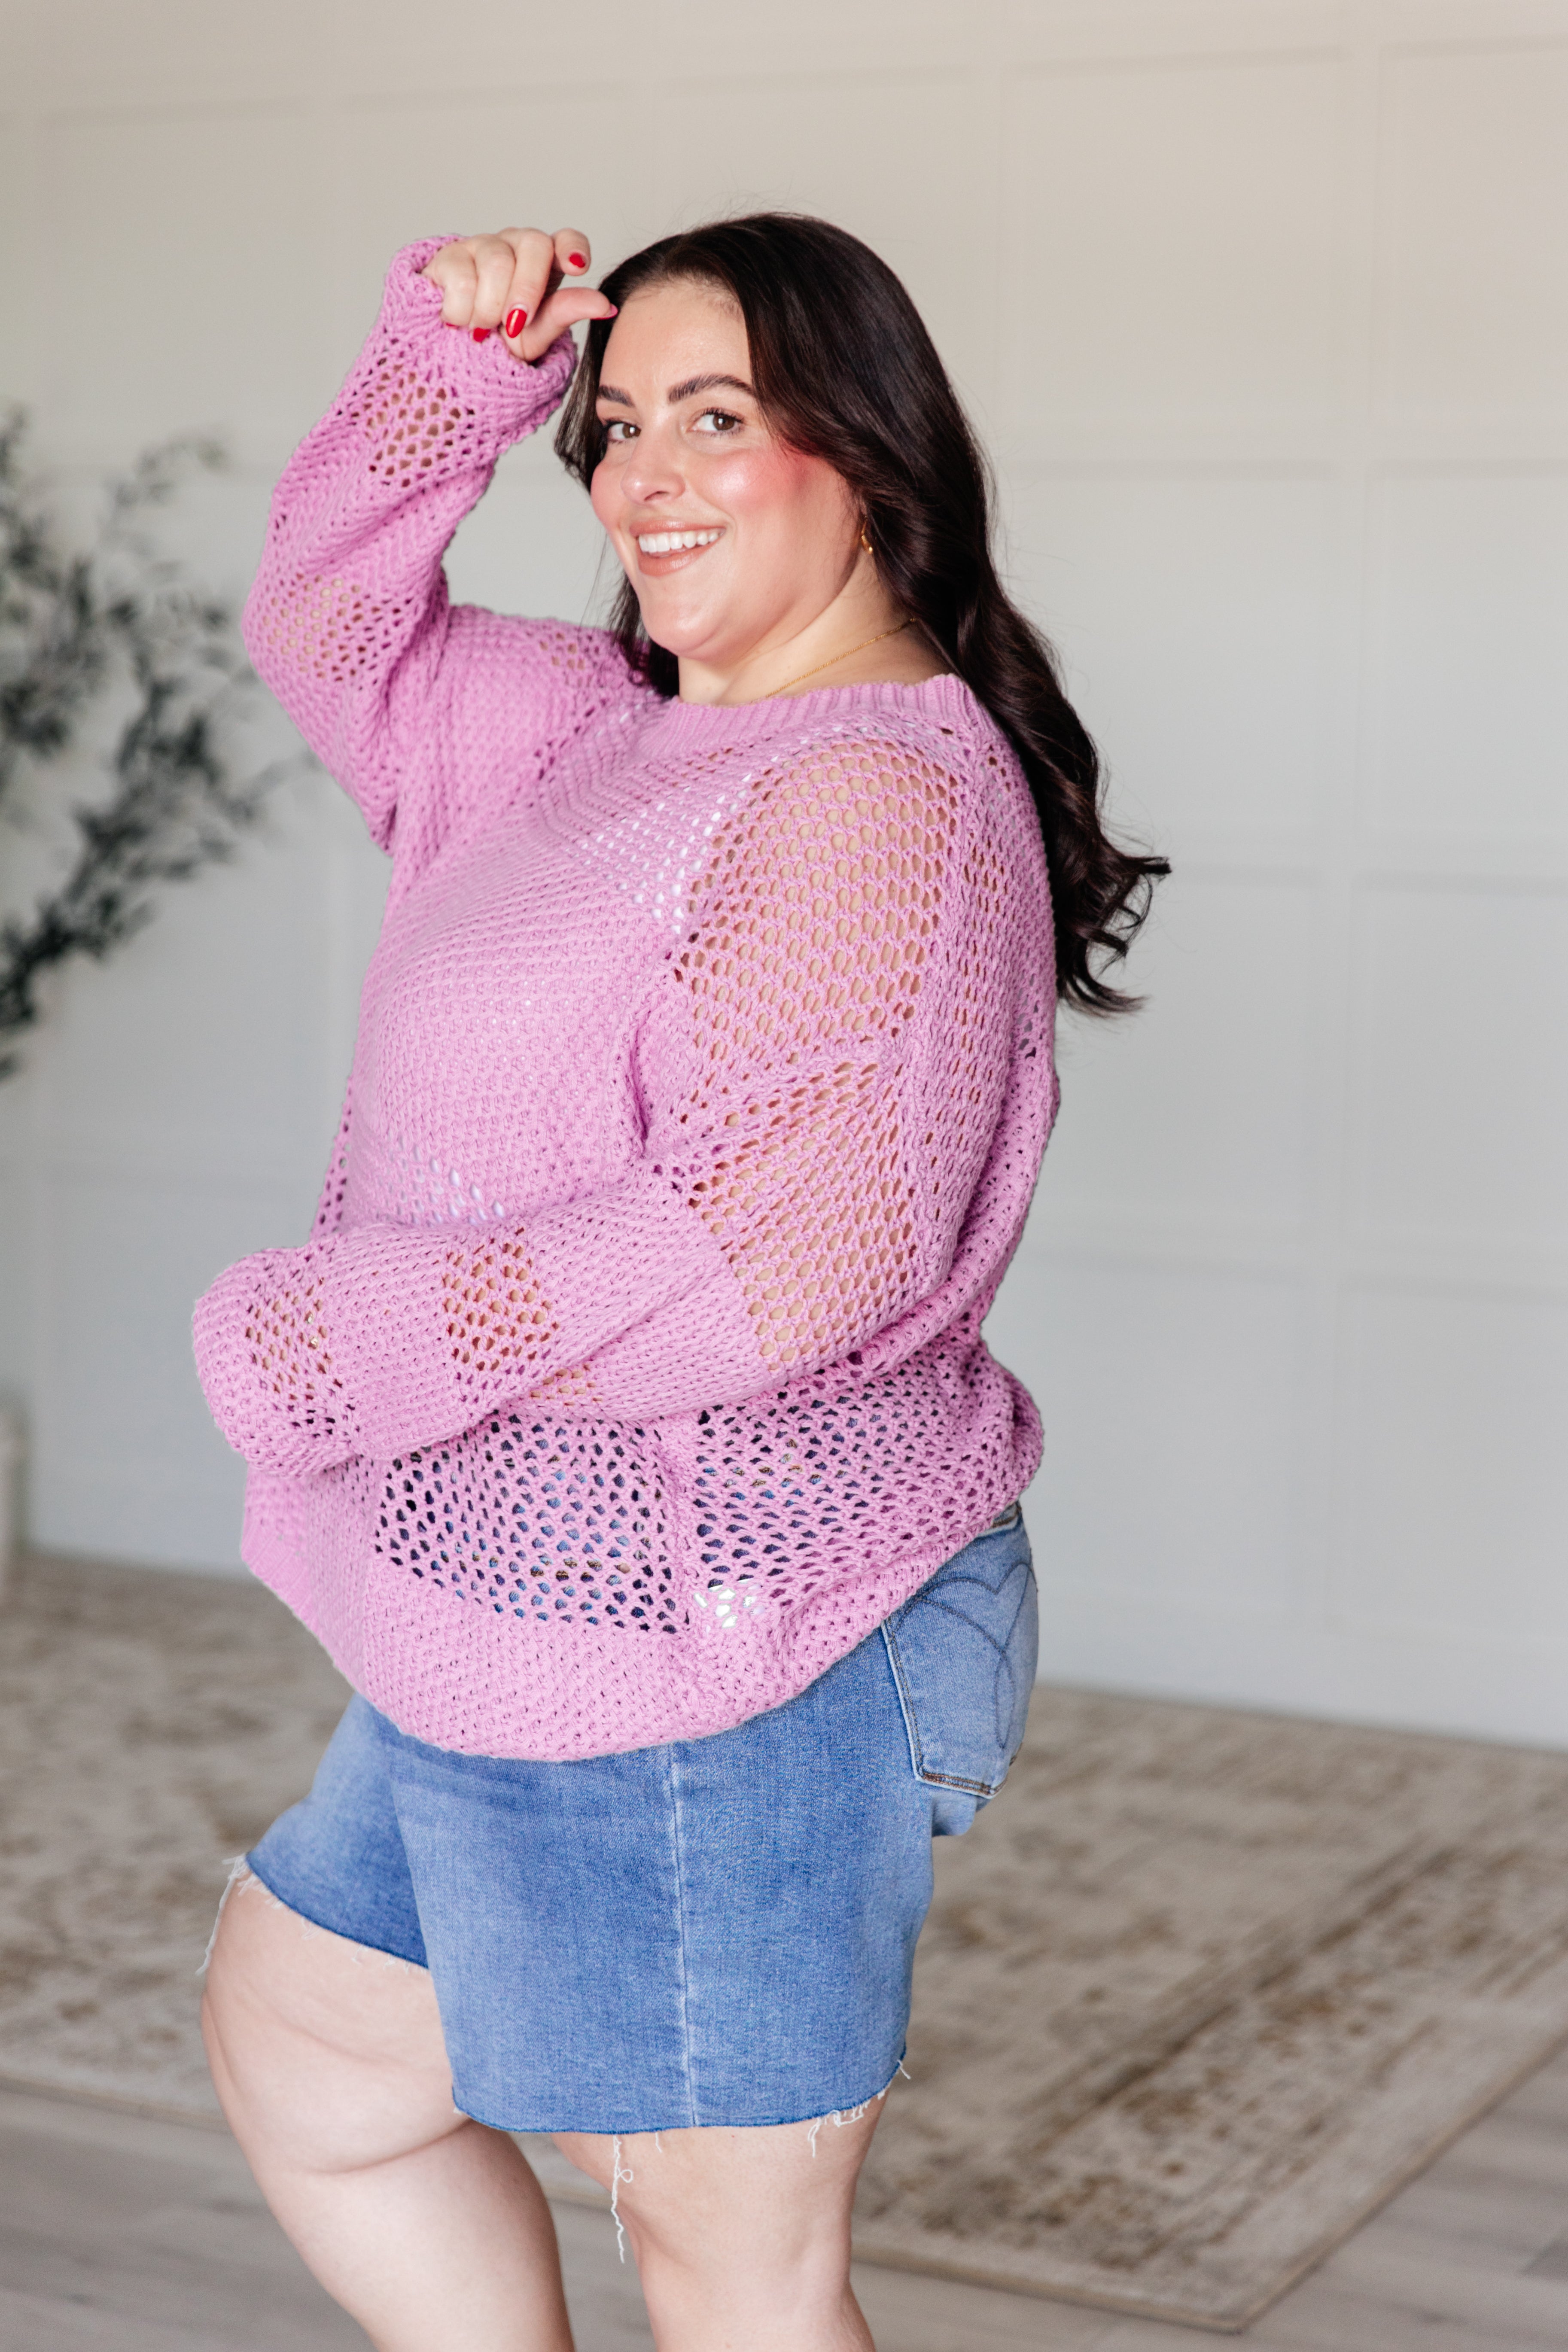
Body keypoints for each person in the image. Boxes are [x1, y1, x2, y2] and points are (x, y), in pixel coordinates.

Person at [194, 214, 1163, 2352]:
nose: (646, 474)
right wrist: (457, 379)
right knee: (318, 2051)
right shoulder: (593, 725)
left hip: (728, 1630)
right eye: (621, 423)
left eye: (719, 421)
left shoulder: (873, 795)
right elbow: (327, 622)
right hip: (542, 1604)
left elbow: (780, 1251)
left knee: (733, 2279)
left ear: (871, 457)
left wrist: (337, 1345)